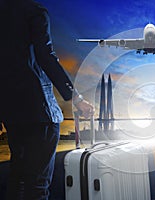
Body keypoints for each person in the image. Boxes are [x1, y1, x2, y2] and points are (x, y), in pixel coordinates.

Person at [0, 0, 94, 199]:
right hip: (39, 110)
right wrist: (76, 98)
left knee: (17, 179)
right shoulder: (34, 10)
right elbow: (46, 56)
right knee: (38, 186)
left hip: (12, 113)